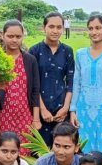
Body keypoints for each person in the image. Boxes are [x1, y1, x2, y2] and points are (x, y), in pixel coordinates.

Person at [70, 14, 102, 163]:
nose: (94, 32)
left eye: (98, 28)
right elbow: (76, 83)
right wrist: (73, 110)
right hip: (83, 111)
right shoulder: (80, 54)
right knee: (85, 152)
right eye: (91, 28)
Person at [29, 12, 75, 147]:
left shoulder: (67, 51)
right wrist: (42, 109)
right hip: (39, 108)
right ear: (44, 28)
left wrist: (66, 107)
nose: (55, 31)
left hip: (61, 109)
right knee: (40, 151)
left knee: (62, 148)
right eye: (51, 27)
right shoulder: (34, 51)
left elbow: (70, 81)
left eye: (59, 27)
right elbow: (33, 84)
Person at [0, 20, 41, 149]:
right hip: (2, 116)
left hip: (24, 115)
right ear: (3, 36)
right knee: (5, 151)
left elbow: (35, 90)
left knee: (24, 152)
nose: (14, 40)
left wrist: (36, 118)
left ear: (22, 37)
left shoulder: (30, 60)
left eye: (18, 37)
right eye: (10, 36)